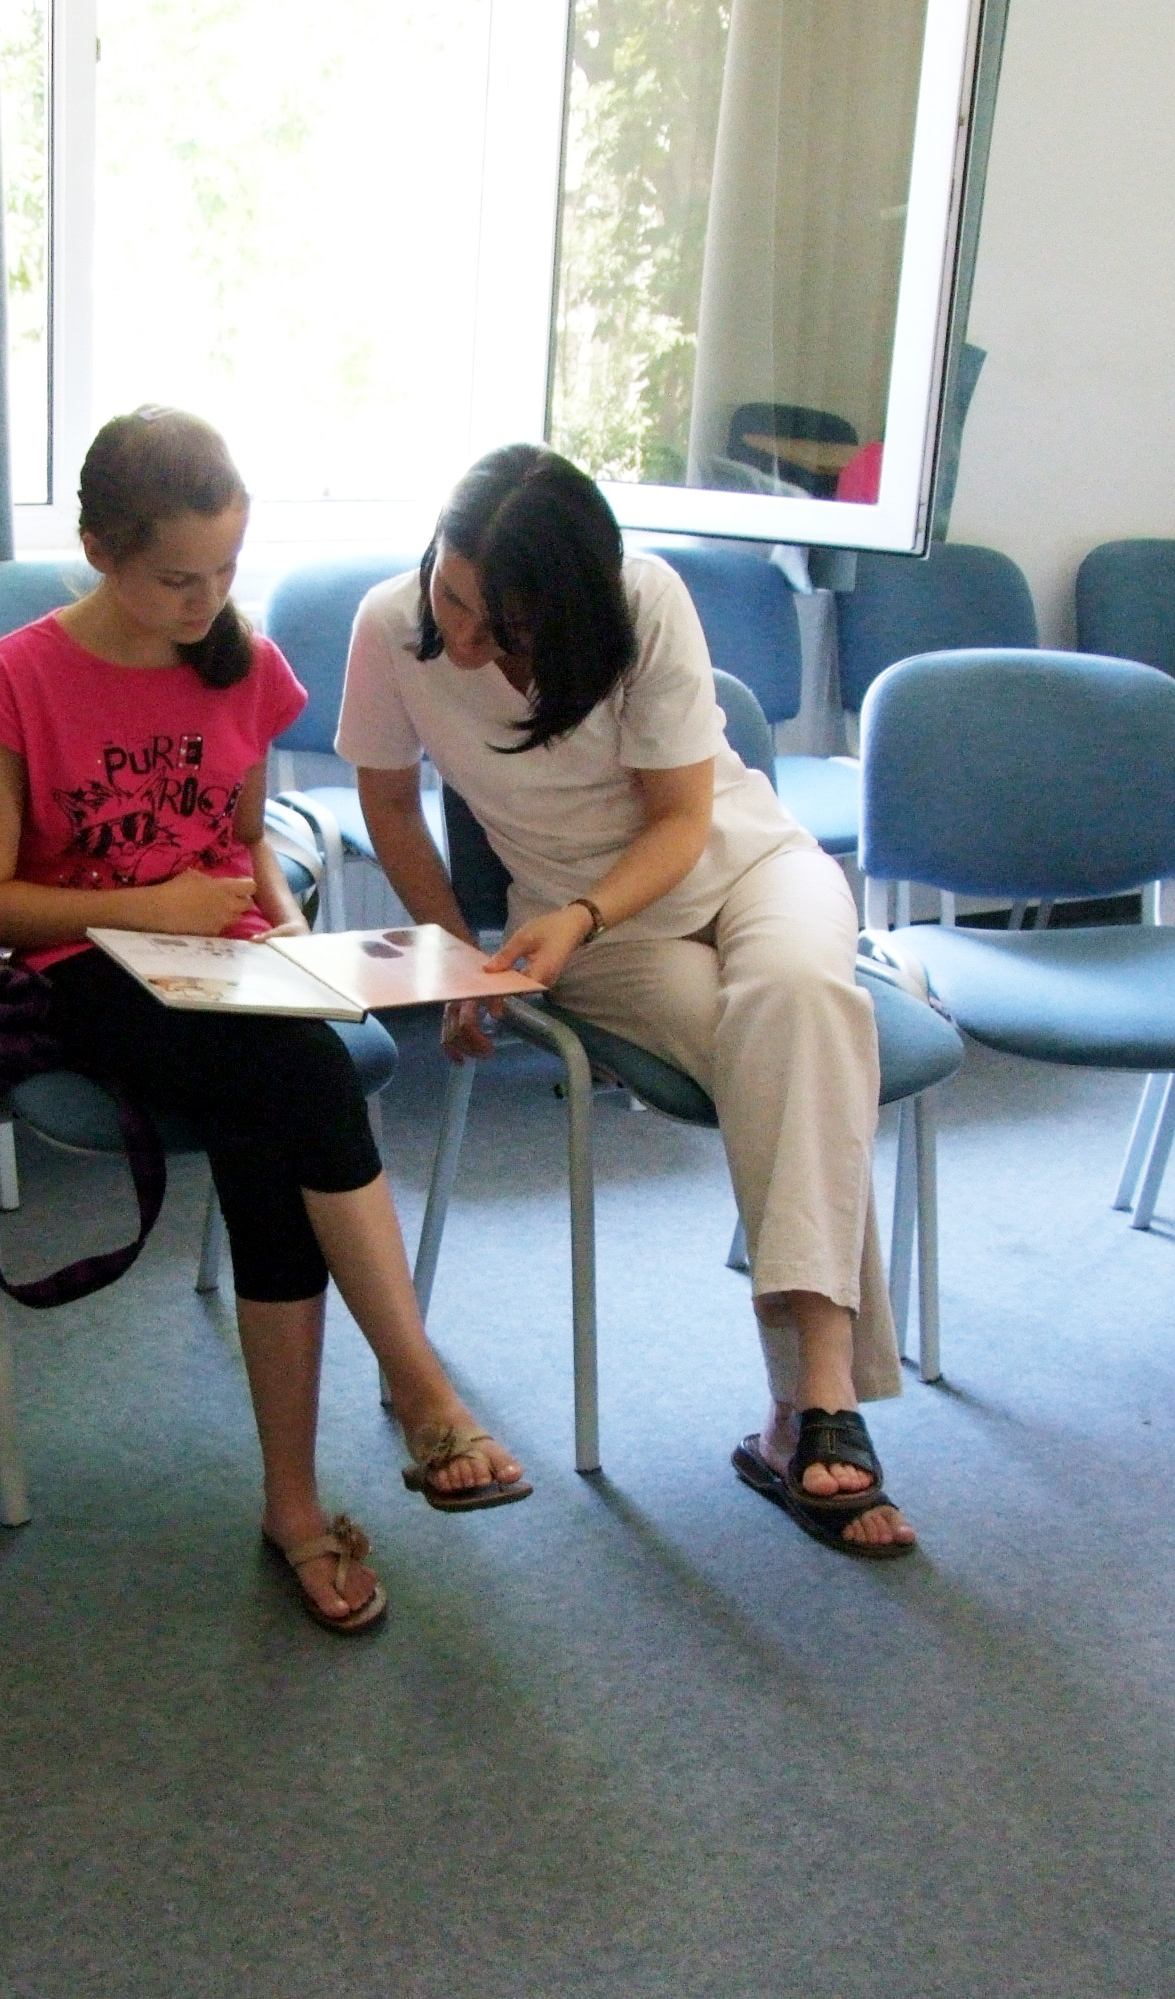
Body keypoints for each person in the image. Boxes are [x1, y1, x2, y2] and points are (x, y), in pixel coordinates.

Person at [0, 407, 528, 1633]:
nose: (208, 600)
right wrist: (147, 903)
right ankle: (418, 1390)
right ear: (99, 552)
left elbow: (246, 838)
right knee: (305, 1079)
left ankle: (295, 1505)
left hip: (228, 966)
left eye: (226, 570)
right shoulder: (17, 680)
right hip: (87, 965)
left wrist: (289, 928)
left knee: (272, 1134)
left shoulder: (239, 660)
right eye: (177, 579)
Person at [338, 444, 916, 1555]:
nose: (466, 640)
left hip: (744, 864)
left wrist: (586, 914)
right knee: (794, 1066)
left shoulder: (645, 600)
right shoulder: (388, 626)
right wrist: (457, 957)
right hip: (586, 933)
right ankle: (806, 1420)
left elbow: (685, 821)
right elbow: (394, 811)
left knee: (800, 1000)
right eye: (453, 596)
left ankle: (815, 1395)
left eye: (503, 625)